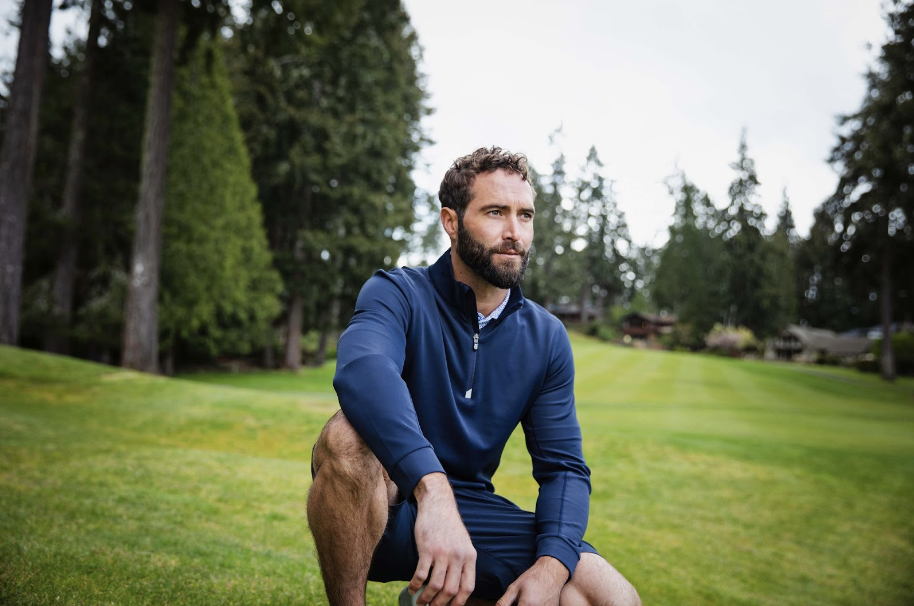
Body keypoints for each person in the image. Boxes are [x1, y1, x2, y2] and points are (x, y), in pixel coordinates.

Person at [307, 147, 641, 606]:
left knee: (609, 596)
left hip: (473, 513)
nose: (514, 232)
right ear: (451, 221)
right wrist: (432, 488)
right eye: (495, 212)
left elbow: (563, 468)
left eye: (525, 216)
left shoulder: (546, 337)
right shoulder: (396, 293)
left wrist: (551, 567)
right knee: (345, 439)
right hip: (388, 504)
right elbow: (363, 373)